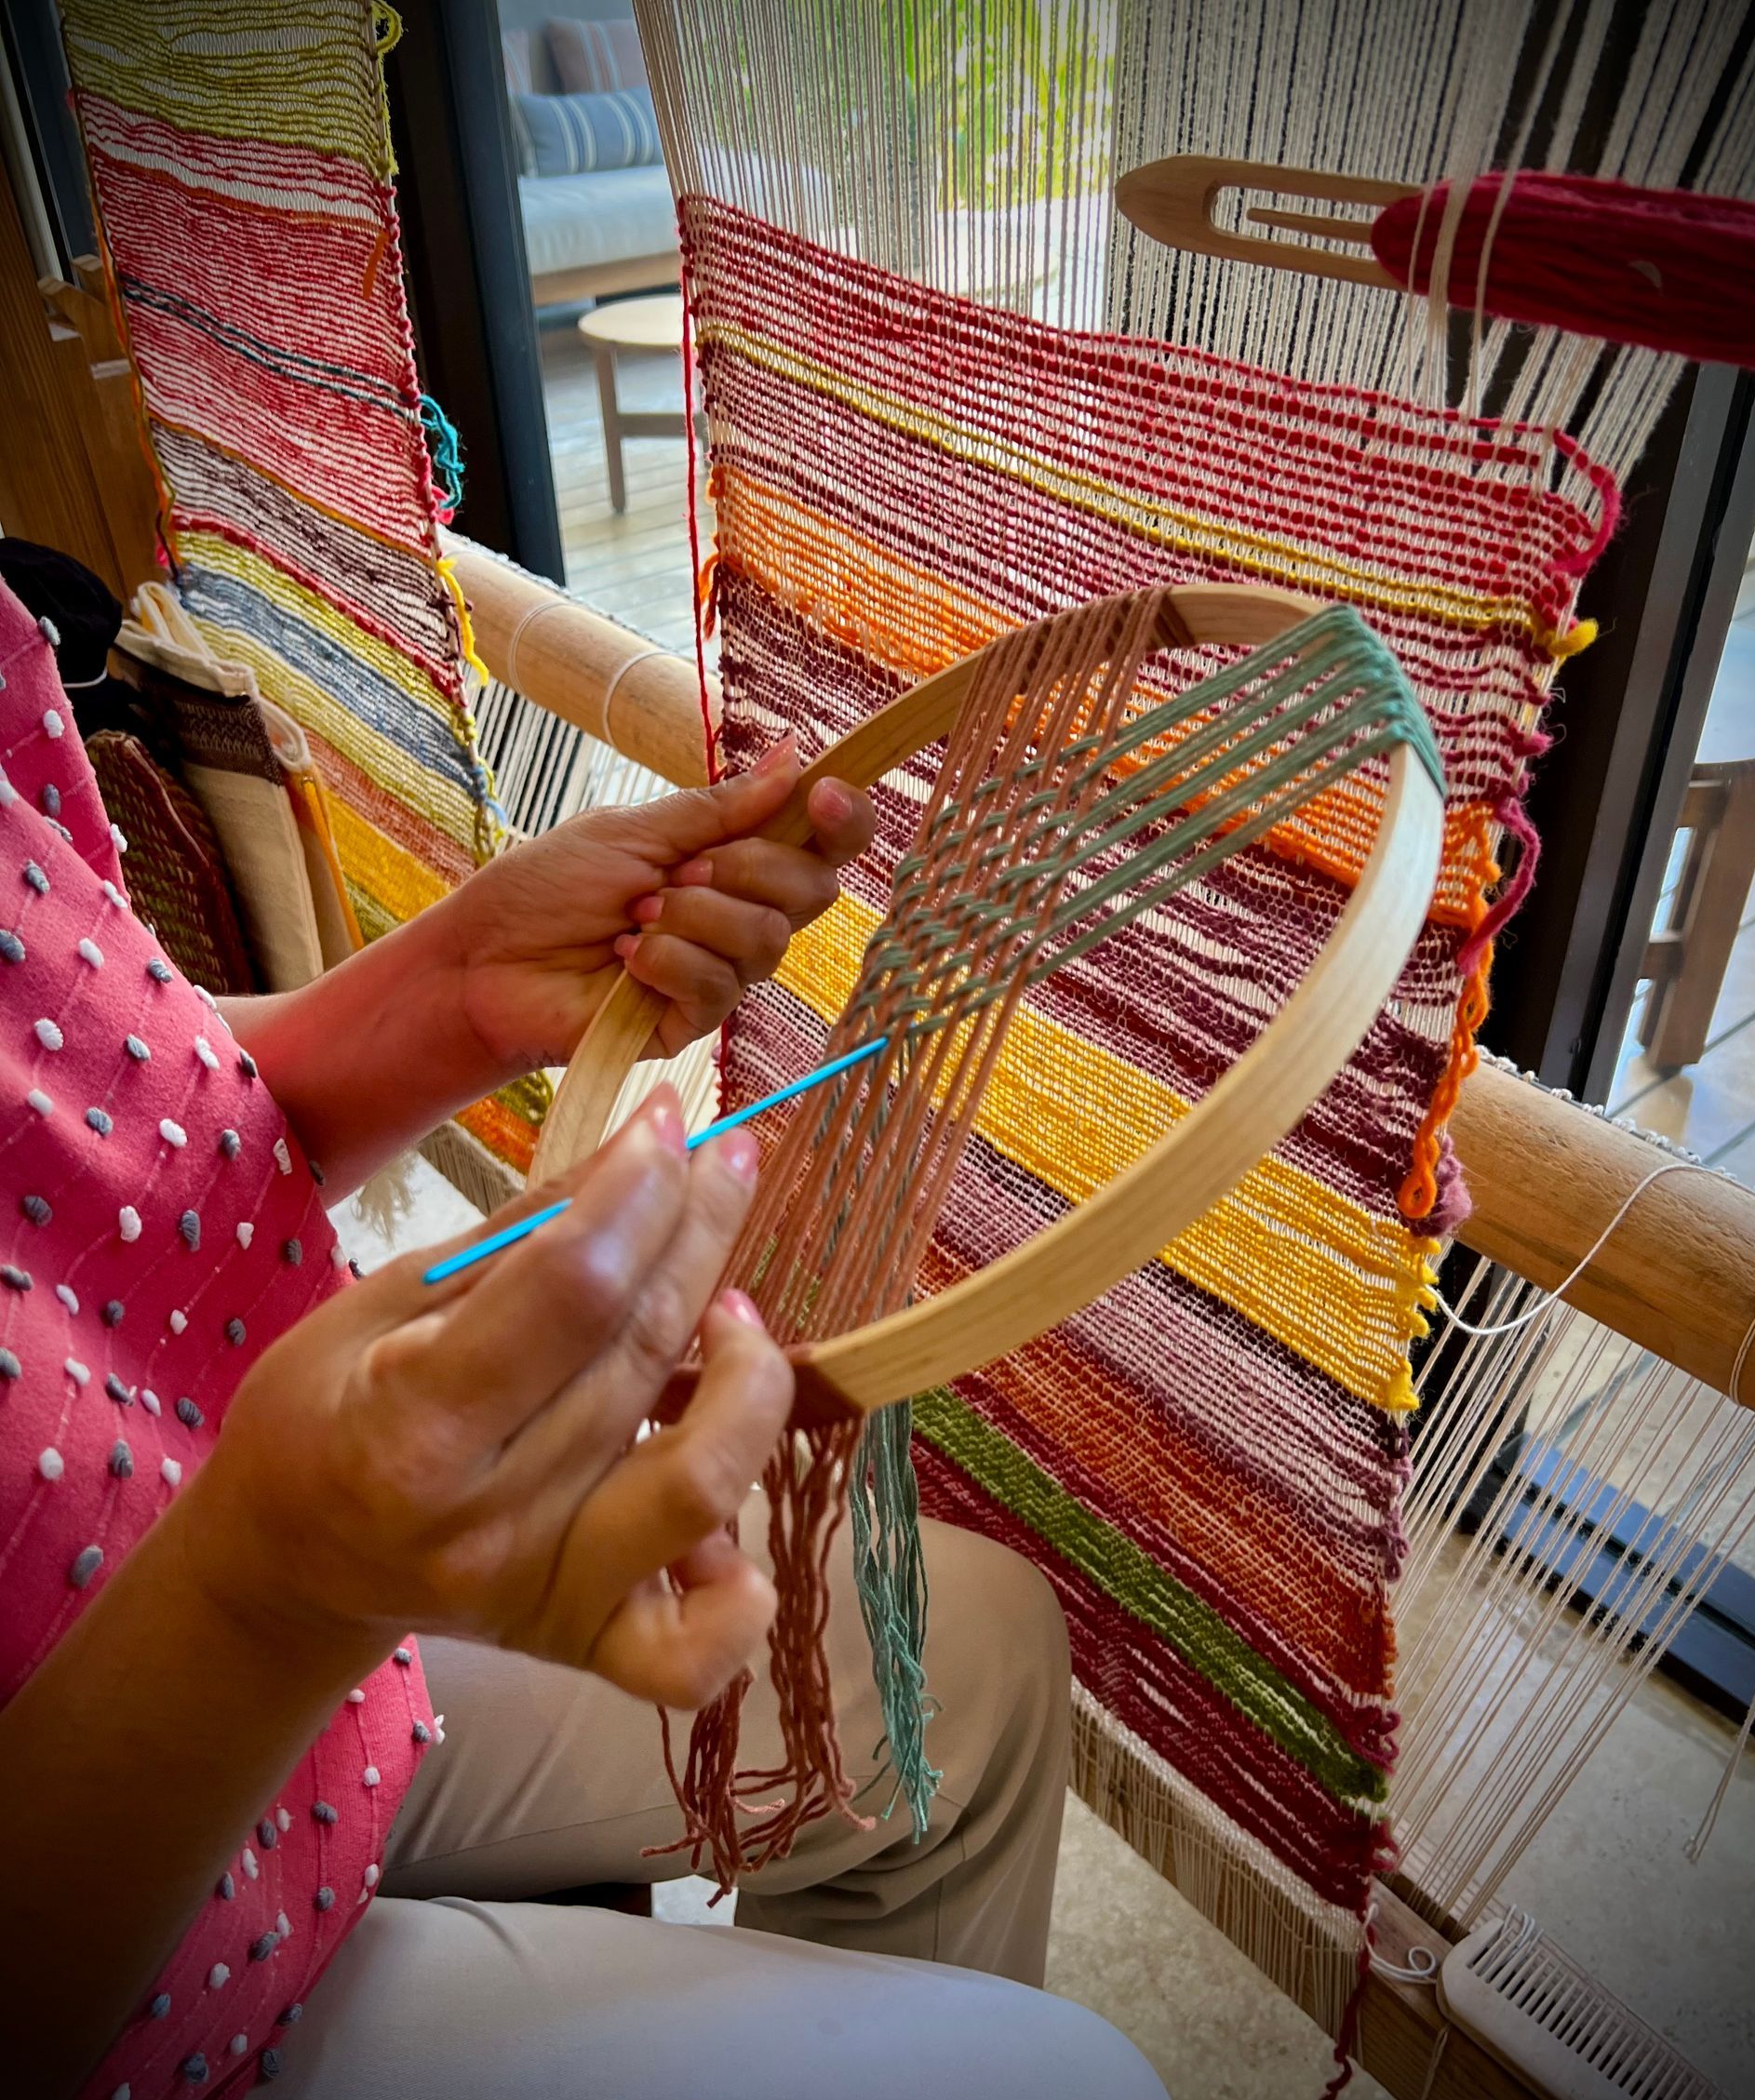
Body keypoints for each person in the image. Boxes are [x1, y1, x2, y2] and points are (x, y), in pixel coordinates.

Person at [0, 581, 1167, 2100]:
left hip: (253, 1557)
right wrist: (268, 1594)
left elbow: (83, 1107)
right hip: (106, 1922)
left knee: (982, 1657)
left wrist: (451, 988)